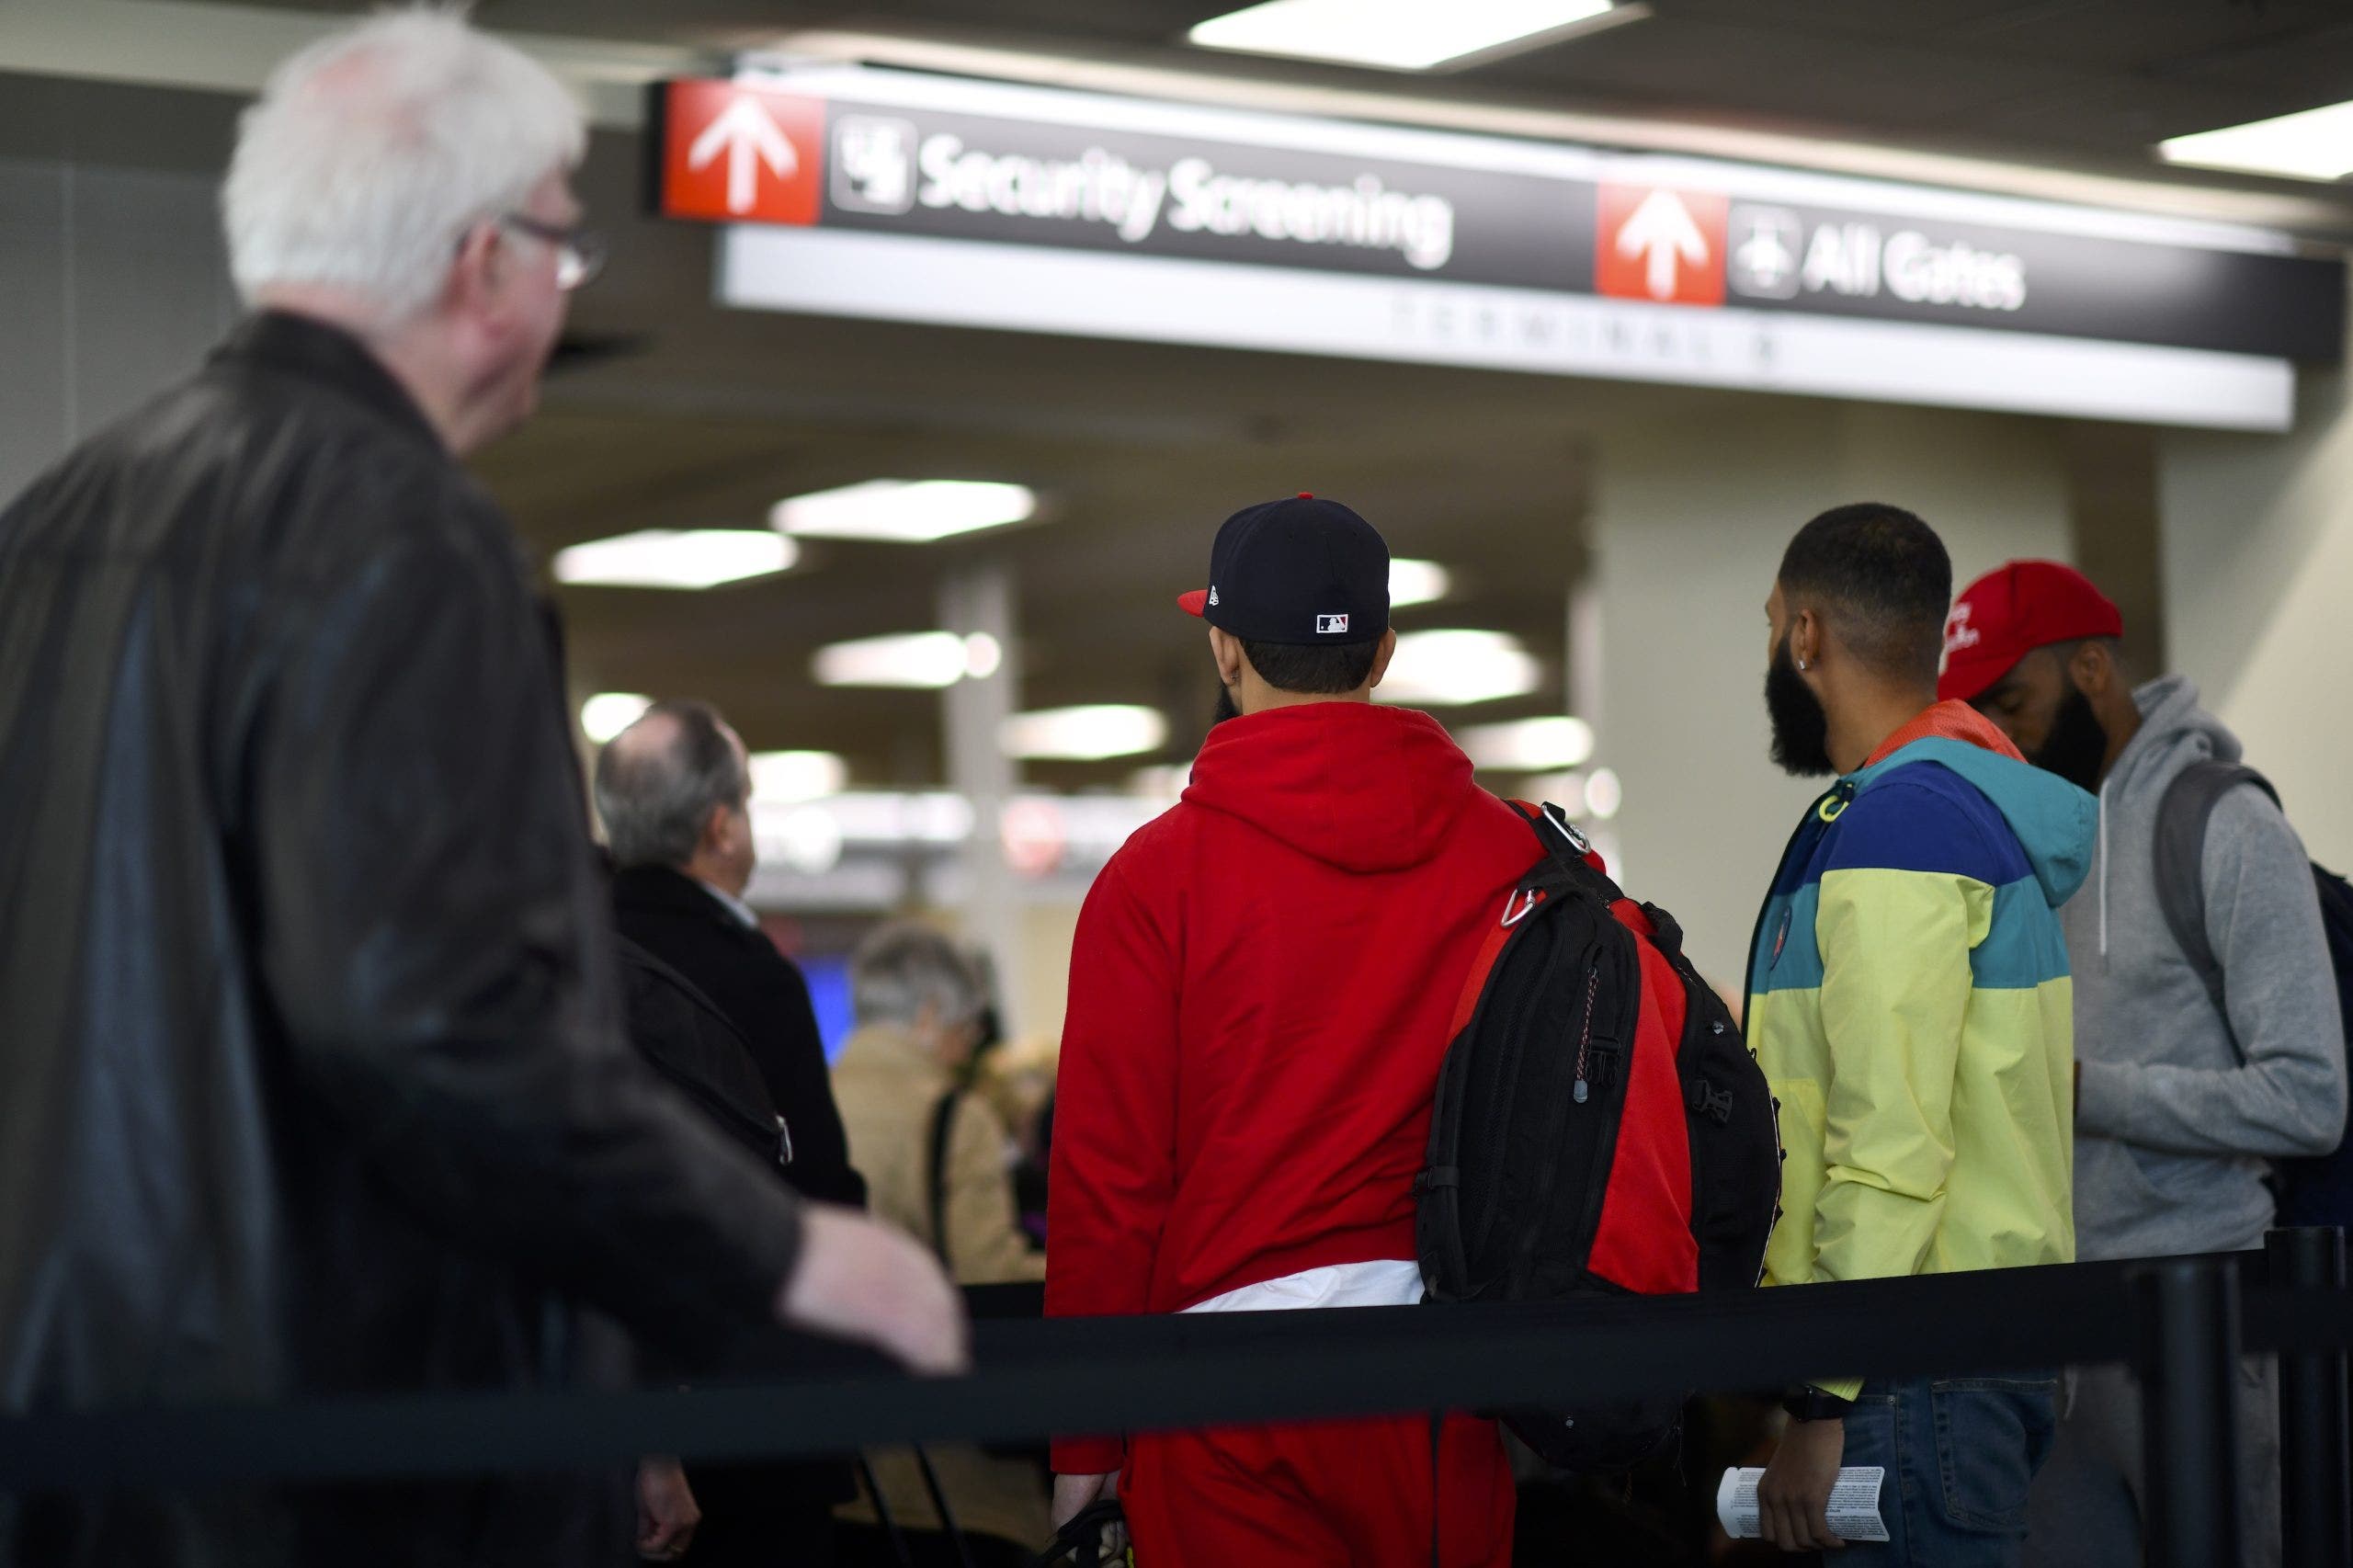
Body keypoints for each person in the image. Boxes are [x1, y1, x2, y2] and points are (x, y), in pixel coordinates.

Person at [0, 15, 961, 1566]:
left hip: (83, 1434)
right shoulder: (401, 534)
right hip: (351, 1451)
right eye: (569, 249)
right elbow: (432, 1017)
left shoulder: (48, 527)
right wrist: (781, 1255)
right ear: (483, 260)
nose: (562, 290)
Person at [1048, 494, 1522, 1567]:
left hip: (1225, 1403)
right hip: (1451, 1385)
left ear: (1223, 649)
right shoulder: (1514, 858)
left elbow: (1107, 1186)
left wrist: (1083, 1439)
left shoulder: (1152, 880)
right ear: (1383, 652)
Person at [1940, 561, 2349, 1568]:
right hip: (2054, 1322)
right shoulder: (2027, 841)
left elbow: (2309, 1096)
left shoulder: (2222, 821)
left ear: (2090, 668)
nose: (2001, 733)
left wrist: (2087, 1089)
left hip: (2203, 1314)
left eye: (2013, 701)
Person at [1747, 506, 2095, 1565]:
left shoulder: (1900, 825)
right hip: (1958, 1349)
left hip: (1907, 1367)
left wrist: (1820, 1395)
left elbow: (1889, 1141)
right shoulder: (1958, 807)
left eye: (1768, 627)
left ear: (1805, 633)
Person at [833, 922, 1050, 1566]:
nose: (971, 1045)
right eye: (969, 1025)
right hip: (948, 1470)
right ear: (929, 1015)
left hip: (837, 1453)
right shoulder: (955, 1114)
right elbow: (989, 1273)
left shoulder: (804, 1103)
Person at [597, 700, 867, 1210]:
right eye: (747, 802)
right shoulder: (757, 979)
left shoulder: (577, 954)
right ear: (721, 829)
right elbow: (820, 1184)